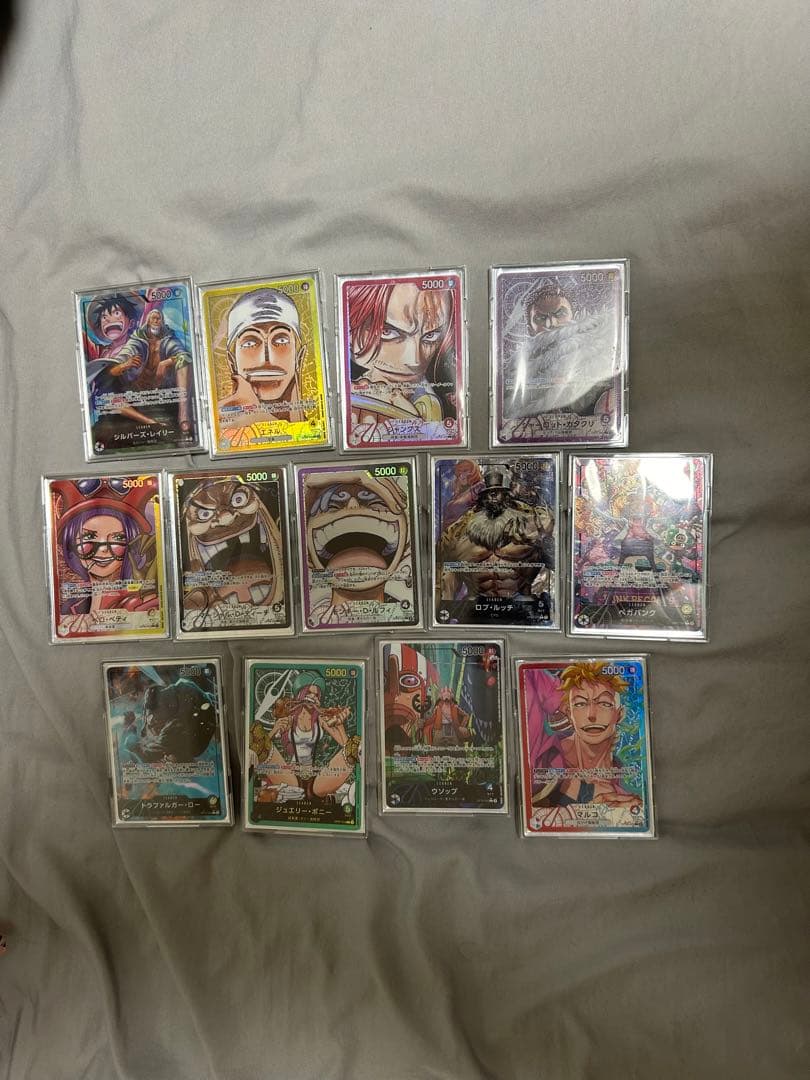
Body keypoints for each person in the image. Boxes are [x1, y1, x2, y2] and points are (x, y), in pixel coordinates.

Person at [438, 463, 554, 623]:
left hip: (521, 606)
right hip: (476, 608)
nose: (493, 496)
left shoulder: (532, 522)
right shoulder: (459, 530)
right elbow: (446, 570)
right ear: (482, 498)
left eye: (498, 492)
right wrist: (445, 609)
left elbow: (553, 564)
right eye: (488, 493)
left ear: (507, 496)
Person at [346, 280, 456, 443]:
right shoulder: (344, 393)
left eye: (430, 336)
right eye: (388, 332)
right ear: (349, 328)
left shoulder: (431, 404)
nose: (414, 361)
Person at [303, 470, 411, 626]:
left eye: (375, 502)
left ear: (407, 546)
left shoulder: (407, 614)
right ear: (306, 553)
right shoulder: (310, 617)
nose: (353, 505)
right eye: (332, 505)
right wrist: (304, 482)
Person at [530, 662, 641, 811]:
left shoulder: (622, 788)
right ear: (569, 713)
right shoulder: (544, 758)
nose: (591, 715)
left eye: (604, 703)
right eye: (580, 704)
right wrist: (585, 793)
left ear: (620, 714)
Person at [55, 478, 158, 635]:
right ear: (71, 544)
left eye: (118, 539)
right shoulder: (70, 606)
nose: (103, 549)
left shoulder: (141, 602)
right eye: (88, 537)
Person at [249, 673, 359, 805]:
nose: (313, 697)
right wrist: (275, 729)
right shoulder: (290, 719)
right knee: (256, 732)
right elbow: (261, 743)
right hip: (290, 776)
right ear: (301, 694)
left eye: (316, 695)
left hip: (317, 780)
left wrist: (340, 726)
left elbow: (347, 747)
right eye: (309, 693)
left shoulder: (320, 719)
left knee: (355, 744)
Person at [218, 288, 307, 423]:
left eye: (281, 341)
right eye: (250, 343)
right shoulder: (218, 423)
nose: (266, 359)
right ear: (232, 362)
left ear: (299, 358)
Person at [109, 306, 194, 433]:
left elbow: (185, 356)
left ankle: (183, 415)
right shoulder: (136, 340)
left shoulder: (169, 338)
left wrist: (165, 363)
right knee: (111, 399)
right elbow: (112, 369)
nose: (156, 321)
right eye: (153, 318)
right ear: (148, 321)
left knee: (184, 363)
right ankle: (150, 422)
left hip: (164, 388)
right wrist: (125, 365)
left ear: (162, 321)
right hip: (138, 390)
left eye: (159, 318)